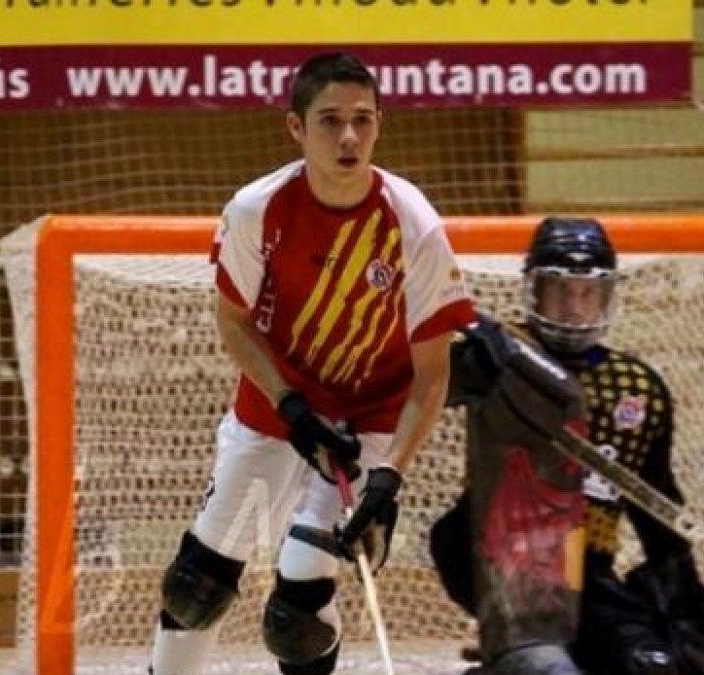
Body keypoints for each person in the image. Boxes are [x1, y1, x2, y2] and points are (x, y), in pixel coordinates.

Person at [148, 51, 476, 675]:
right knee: (197, 585)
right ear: (295, 128)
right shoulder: (257, 209)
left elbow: (434, 373)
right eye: (329, 120)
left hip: (368, 420)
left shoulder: (415, 226)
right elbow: (234, 323)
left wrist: (390, 479)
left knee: (298, 613)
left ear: (381, 123)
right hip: (275, 407)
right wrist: (291, 405)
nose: (348, 136)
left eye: (363, 119)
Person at [430, 216, 704, 675]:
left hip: (592, 574)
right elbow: (414, 389)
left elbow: (657, 504)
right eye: (561, 291)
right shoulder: (497, 356)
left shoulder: (636, 386)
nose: (575, 307)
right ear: (534, 292)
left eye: (588, 293)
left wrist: (681, 592)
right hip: (502, 559)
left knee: (657, 663)